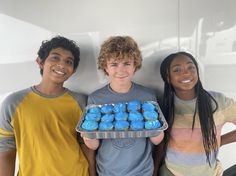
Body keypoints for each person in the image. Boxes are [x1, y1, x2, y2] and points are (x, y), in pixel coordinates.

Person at [0, 36, 95, 176]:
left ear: (73, 70)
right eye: (55, 58)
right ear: (40, 62)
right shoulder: (13, 103)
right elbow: (5, 149)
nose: (62, 65)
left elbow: (87, 147)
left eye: (68, 61)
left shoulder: (82, 102)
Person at [81, 36, 164, 176]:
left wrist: (157, 130)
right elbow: (94, 145)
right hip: (108, 171)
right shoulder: (96, 98)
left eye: (127, 63)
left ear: (135, 66)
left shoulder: (147, 97)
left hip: (142, 171)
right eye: (114, 64)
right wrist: (88, 136)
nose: (121, 70)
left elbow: (156, 141)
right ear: (105, 67)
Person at [154, 51, 236, 176]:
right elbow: (161, 144)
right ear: (168, 77)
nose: (186, 72)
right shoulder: (163, 105)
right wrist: (154, 172)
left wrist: (219, 141)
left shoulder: (219, 101)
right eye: (177, 70)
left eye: (190, 67)